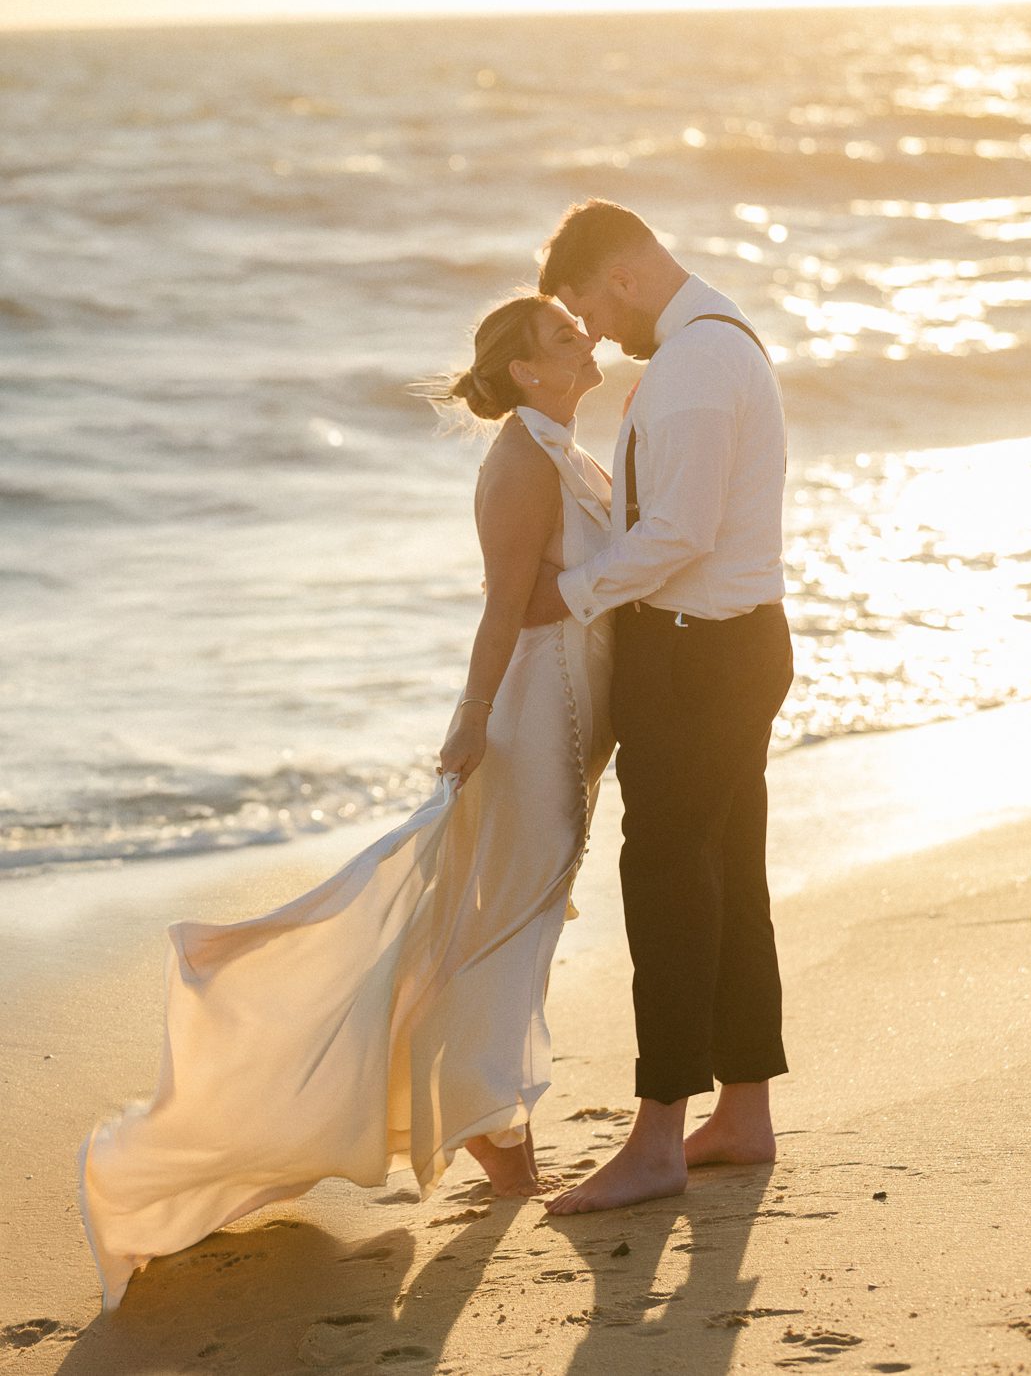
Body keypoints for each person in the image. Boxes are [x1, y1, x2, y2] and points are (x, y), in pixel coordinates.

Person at [78, 295, 616, 1308]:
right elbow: (507, 609)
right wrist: (470, 714)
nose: (585, 339)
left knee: (516, 919)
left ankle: (495, 1123)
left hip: (572, 721)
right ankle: (502, 1141)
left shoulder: (564, 449)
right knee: (512, 922)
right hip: (533, 716)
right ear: (528, 373)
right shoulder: (521, 465)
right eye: (561, 337)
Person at [524, 199, 793, 1217]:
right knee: (727, 871)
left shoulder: (689, 370)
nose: (591, 328)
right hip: (732, 646)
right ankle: (744, 1111)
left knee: (669, 882)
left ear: (623, 278)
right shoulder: (715, 338)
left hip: (696, 657)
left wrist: (567, 594)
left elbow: (676, 532)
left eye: (588, 304)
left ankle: (655, 1141)